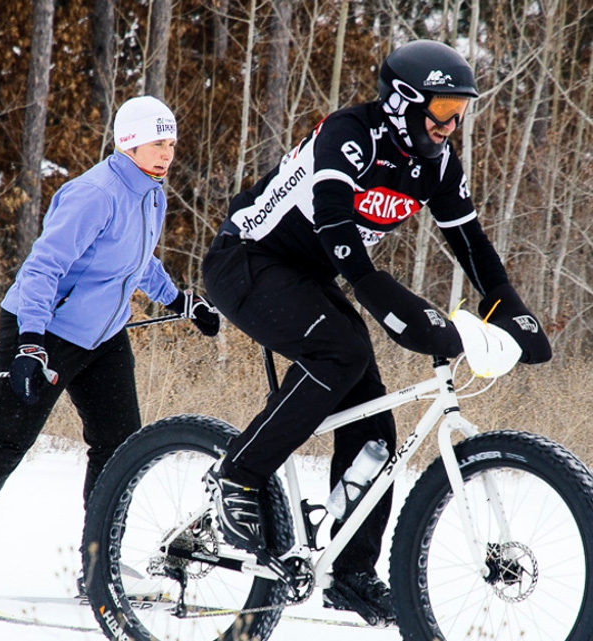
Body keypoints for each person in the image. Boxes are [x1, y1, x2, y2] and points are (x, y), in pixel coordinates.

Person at [201, 40, 551, 626]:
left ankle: (351, 571)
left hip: (311, 275)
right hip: (248, 260)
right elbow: (338, 225)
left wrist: (509, 308)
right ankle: (238, 474)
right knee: (342, 350)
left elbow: (472, 246)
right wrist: (384, 296)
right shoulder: (350, 133)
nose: (452, 123)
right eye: (444, 108)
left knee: (374, 428)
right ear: (403, 102)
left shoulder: (436, 164)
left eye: (461, 110)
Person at [0, 95, 221, 596]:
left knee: (120, 447)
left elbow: (137, 260)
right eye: (158, 142)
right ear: (129, 142)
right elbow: (41, 269)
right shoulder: (95, 193)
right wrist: (30, 343)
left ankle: (101, 565)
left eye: (172, 143)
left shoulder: (153, 193)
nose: (167, 153)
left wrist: (181, 301)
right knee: (7, 439)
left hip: (104, 336)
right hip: (45, 329)